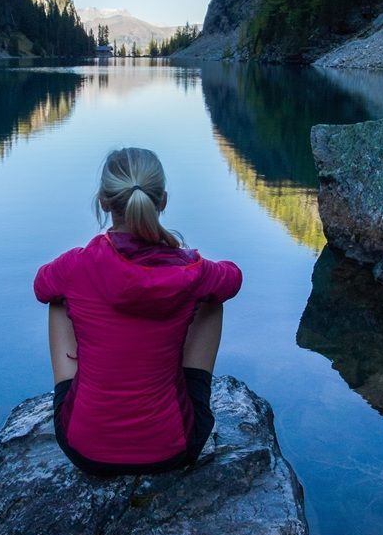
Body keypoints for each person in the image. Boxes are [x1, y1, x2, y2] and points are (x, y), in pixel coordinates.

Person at [33, 146, 242, 476]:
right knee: (211, 300)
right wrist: (189, 260)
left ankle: (78, 385)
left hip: (84, 449)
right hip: (173, 449)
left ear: (104, 201)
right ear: (163, 201)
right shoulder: (192, 271)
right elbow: (233, 279)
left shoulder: (77, 264)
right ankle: (189, 384)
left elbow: (41, 286)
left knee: (58, 300)